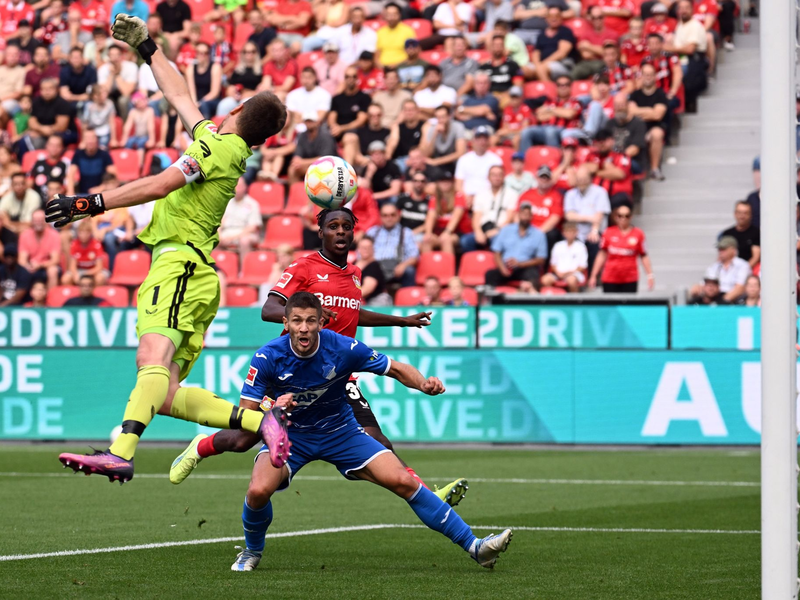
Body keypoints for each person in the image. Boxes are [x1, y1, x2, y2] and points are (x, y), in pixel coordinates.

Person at [50, 13, 289, 483]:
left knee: (150, 360)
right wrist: (147, 47)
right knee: (163, 389)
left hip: (179, 263)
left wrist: (90, 202)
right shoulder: (221, 144)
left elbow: (162, 184)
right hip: (191, 271)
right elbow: (179, 94)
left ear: (237, 108)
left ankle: (121, 449)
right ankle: (261, 422)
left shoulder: (215, 151)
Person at [173, 210, 466, 500]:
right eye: (333, 226)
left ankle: (428, 494)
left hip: (336, 373)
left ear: (353, 233)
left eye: (346, 227)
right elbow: (269, 309)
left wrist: (401, 321)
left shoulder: (355, 274)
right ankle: (202, 445)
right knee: (242, 439)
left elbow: (353, 314)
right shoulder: (304, 267)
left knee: (375, 437)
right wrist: (310, 314)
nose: (340, 232)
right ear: (321, 232)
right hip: (292, 370)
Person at [227, 291, 509, 571]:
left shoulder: (343, 348)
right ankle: (251, 551)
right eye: (297, 321)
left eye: (311, 321)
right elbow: (247, 415)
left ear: (320, 323)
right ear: (286, 323)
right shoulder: (267, 356)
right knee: (258, 491)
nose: (304, 328)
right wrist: (275, 408)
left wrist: (423, 385)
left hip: (341, 432)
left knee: (405, 481)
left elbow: (395, 368)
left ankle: (476, 547)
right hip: (291, 436)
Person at [588, 202, 653, 293]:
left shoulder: (638, 234)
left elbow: (644, 255)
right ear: (616, 217)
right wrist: (593, 275)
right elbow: (602, 255)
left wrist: (650, 275)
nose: (623, 219)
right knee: (610, 306)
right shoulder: (608, 232)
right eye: (620, 216)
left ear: (631, 217)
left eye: (626, 216)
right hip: (610, 278)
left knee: (628, 306)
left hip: (630, 278)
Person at [485, 203, 548, 293]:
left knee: (533, 275)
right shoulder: (506, 230)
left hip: (525, 268)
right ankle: (490, 302)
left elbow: (541, 259)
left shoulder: (539, 234)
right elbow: (496, 252)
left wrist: (520, 264)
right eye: (523, 214)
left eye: (528, 215)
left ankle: (531, 302)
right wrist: (502, 267)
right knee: (490, 274)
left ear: (531, 216)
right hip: (506, 267)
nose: (525, 217)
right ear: (519, 215)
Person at [563, 165, 610, 272]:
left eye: (584, 179)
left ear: (590, 178)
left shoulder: (600, 192)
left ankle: (593, 276)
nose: (582, 182)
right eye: (579, 180)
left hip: (595, 230)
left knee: (594, 242)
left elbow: (598, 217)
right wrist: (589, 218)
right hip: (576, 232)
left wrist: (594, 230)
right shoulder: (570, 194)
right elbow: (569, 216)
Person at [462, 164, 518, 252]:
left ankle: (493, 264)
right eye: (494, 175)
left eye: (500, 175)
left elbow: (509, 218)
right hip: (483, 229)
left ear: (504, 177)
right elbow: (476, 216)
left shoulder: (511, 194)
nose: (497, 178)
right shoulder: (481, 194)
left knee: (497, 241)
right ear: (488, 177)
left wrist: (496, 230)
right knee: (465, 241)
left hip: (501, 231)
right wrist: (478, 232)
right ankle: (475, 262)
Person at [628, 62, 668, 181]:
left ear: (655, 76)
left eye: (650, 74)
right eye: (645, 74)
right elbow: (630, 113)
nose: (648, 77)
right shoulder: (635, 94)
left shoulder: (660, 94)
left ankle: (655, 169)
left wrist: (639, 112)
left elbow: (657, 115)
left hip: (651, 130)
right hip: (635, 131)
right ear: (641, 76)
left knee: (657, 133)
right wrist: (650, 111)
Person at [519, 74, 581, 150]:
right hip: (544, 128)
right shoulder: (550, 101)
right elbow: (540, 116)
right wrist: (561, 112)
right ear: (556, 87)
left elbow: (570, 114)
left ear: (570, 87)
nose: (563, 87)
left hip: (564, 130)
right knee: (526, 131)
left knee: (550, 131)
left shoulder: (575, 101)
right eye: (560, 85)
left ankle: (553, 158)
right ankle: (525, 159)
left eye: (566, 85)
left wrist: (550, 110)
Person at [367, 204, 420, 288]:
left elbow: (414, 256)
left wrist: (403, 265)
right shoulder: (372, 232)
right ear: (380, 217)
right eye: (385, 215)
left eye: (392, 215)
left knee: (409, 271)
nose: (389, 218)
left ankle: (407, 298)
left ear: (398, 216)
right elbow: (361, 253)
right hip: (376, 268)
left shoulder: (406, 232)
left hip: (396, 268)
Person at [515, 165, 563, 249]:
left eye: (546, 177)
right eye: (542, 177)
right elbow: (517, 214)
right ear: (537, 178)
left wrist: (536, 234)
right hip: (526, 228)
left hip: (544, 231)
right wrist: (520, 229)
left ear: (550, 179)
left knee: (552, 234)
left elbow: (555, 218)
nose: (544, 180)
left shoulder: (556, 196)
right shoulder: (527, 194)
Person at [453, 125, 503, 203]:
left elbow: (499, 184)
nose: (482, 141)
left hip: (487, 199)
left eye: (485, 138)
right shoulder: (463, 159)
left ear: (488, 141)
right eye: (479, 138)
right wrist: (466, 198)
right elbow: (458, 185)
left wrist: (480, 199)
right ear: (473, 140)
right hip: (466, 198)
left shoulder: (496, 160)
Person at [17, 208, 61, 290]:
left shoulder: (54, 235)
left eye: (41, 219)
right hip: (30, 265)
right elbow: (21, 260)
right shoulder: (25, 235)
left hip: (46, 266)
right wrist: (28, 266)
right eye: (36, 220)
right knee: (22, 271)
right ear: (32, 221)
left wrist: (40, 265)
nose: (38, 222)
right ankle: (24, 300)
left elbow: (55, 260)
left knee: (53, 270)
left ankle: (50, 299)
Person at [421, 180, 469, 254]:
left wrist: (447, 232)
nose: (445, 183)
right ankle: (427, 265)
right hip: (439, 231)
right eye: (442, 181)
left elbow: (456, 217)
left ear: (452, 183)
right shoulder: (434, 198)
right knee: (427, 240)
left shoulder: (459, 196)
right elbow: (430, 217)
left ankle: (447, 265)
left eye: (448, 181)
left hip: (457, 232)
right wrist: (428, 233)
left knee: (446, 240)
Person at [421, 105, 467, 179]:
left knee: (461, 162)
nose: (441, 120)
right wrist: (435, 134)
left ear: (449, 116)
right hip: (439, 161)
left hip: (453, 162)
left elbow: (461, 153)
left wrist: (436, 161)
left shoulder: (458, 127)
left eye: (443, 117)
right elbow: (427, 154)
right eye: (438, 117)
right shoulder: (433, 129)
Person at [531, 7, 575, 82]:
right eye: (550, 16)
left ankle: (549, 92)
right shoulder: (541, 34)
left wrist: (541, 65)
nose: (553, 18)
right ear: (546, 18)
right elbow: (536, 52)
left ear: (561, 17)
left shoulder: (566, 31)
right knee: (522, 70)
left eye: (556, 16)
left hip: (561, 64)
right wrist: (537, 64)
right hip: (542, 64)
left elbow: (561, 53)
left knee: (541, 69)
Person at [218, 178, 261, 255]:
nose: (237, 188)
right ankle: (215, 266)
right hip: (227, 232)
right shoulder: (227, 202)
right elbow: (220, 222)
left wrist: (233, 237)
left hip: (245, 233)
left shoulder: (252, 204)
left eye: (240, 186)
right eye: (236, 186)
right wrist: (219, 234)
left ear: (245, 187)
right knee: (213, 239)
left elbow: (253, 227)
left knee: (244, 241)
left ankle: (245, 266)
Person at [540, 221, 586, 292]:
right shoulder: (558, 245)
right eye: (568, 231)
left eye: (572, 232)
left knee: (571, 280)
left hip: (574, 274)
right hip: (558, 274)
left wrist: (567, 273)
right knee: (545, 280)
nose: (570, 234)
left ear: (576, 232)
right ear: (563, 233)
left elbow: (582, 267)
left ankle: (574, 302)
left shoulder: (581, 246)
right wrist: (558, 273)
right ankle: (551, 300)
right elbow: (553, 264)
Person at [66, 130, 116, 194]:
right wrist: (70, 191)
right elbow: (70, 174)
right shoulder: (78, 154)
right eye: (87, 138)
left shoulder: (104, 154)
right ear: (83, 140)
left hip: (101, 193)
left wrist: (101, 188)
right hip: (82, 193)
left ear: (97, 140)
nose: (90, 141)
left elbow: (113, 175)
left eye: (92, 138)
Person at [328, 66, 370, 142]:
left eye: (353, 76)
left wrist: (342, 128)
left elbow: (361, 121)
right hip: (336, 131)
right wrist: (334, 128)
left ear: (357, 78)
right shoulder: (337, 98)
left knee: (350, 135)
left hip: (354, 130)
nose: (350, 79)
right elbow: (331, 117)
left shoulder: (364, 97)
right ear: (344, 78)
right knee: (324, 132)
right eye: (348, 77)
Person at [342, 103, 390, 169]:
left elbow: (388, 155)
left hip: (381, 165)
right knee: (350, 137)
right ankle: (346, 172)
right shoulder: (360, 131)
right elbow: (356, 156)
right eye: (371, 115)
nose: (375, 117)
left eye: (378, 115)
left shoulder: (387, 132)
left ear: (382, 115)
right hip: (362, 163)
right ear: (367, 116)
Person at [0, 172, 40, 247]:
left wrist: (12, 225)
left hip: (29, 230)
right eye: (16, 184)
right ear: (11, 186)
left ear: (26, 185)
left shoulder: (34, 197)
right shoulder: (6, 198)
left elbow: (30, 223)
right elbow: (3, 221)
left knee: (25, 233)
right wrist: (15, 227)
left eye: (22, 183)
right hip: (9, 232)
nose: (19, 186)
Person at [186, 42, 222, 120]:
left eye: (205, 53)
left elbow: (214, 92)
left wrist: (200, 102)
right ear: (196, 54)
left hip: (212, 101)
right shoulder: (191, 68)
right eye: (199, 52)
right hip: (197, 101)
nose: (202, 55)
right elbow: (192, 90)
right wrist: (195, 103)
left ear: (209, 54)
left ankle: (205, 128)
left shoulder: (215, 67)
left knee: (204, 105)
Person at [719, 201, 760, 268]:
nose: (742, 216)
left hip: (749, 272)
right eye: (739, 212)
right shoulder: (727, 234)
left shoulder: (756, 233)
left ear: (751, 215)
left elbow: (756, 257)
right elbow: (721, 255)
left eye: (745, 213)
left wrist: (743, 271)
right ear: (735, 214)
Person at [386, 99, 423, 171]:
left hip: (418, 159)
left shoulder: (424, 126)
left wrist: (413, 160)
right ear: (402, 112)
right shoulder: (397, 127)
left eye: (412, 109)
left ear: (417, 111)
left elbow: (424, 146)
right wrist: (387, 159)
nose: (409, 112)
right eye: (406, 110)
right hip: (400, 160)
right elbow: (392, 143)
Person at [375, 2, 416, 67]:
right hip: (384, 68)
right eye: (389, 14)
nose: (391, 17)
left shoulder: (408, 31)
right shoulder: (380, 32)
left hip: (402, 66)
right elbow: (376, 55)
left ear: (399, 15)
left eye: (394, 14)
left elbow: (412, 53)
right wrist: (382, 66)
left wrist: (398, 65)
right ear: (385, 16)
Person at [355, 235, 391, 306]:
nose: (366, 249)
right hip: (358, 300)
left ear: (373, 249)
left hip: (375, 301)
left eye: (368, 247)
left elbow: (367, 289)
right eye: (363, 247)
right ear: (358, 249)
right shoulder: (353, 264)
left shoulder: (374, 266)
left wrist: (348, 297)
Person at [364, 140, 402, 204]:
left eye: (379, 153)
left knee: (395, 199)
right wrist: (369, 174)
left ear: (384, 154)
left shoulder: (392, 166)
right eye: (374, 154)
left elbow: (395, 190)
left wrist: (374, 196)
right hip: (373, 198)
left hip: (387, 197)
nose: (377, 157)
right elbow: (364, 190)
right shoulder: (367, 168)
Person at [495, 86, 532, 150]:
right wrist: (504, 132)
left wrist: (509, 131)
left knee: (516, 140)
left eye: (516, 97)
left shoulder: (525, 109)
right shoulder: (507, 109)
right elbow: (505, 127)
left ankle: (517, 158)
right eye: (512, 97)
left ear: (521, 98)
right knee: (493, 139)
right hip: (509, 134)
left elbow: (525, 129)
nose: (514, 100)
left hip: (518, 134)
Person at [81, 84, 117, 149]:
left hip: (105, 131)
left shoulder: (110, 104)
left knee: (102, 148)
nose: (105, 95)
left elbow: (112, 122)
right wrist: (83, 141)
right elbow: (85, 124)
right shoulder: (89, 106)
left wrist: (113, 139)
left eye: (105, 92)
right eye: (102, 93)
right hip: (92, 131)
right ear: (95, 96)